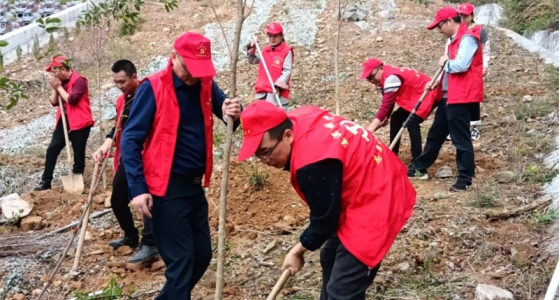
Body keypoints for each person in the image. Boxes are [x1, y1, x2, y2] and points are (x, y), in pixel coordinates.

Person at [237, 101, 417, 299]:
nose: (264, 161)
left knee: (341, 292)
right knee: (329, 256)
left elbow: (324, 221)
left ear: (288, 136)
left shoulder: (312, 163)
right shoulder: (299, 118)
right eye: (257, 155)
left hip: (378, 196)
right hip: (363, 181)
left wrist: (298, 250)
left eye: (265, 152)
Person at [120, 32, 241, 299]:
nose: (193, 76)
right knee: (182, 259)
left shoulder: (205, 83)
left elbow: (225, 110)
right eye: (188, 69)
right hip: (165, 187)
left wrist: (232, 110)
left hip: (195, 186)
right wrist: (138, 188)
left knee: (201, 255)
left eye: (199, 70)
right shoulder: (153, 87)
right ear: (174, 57)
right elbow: (130, 140)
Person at [408, 7, 484, 191]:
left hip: (461, 98)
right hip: (448, 97)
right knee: (435, 135)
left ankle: (464, 179)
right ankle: (418, 168)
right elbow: (450, 72)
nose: (438, 30)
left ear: (450, 21)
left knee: (460, 139)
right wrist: (437, 84)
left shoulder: (467, 39)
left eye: (440, 26)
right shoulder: (452, 42)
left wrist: (445, 63)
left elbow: (461, 66)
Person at [91, 60, 158, 263]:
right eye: (116, 82)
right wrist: (105, 146)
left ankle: (150, 243)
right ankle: (130, 236)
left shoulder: (147, 96)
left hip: (147, 155)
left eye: (123, 81)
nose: (119, 86)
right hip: (127, 157)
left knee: (147, 200)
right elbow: (117, 128)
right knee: (117, 198)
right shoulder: (122, 101)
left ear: (134, 76)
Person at [361, 58, 441, 161]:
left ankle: (417, 163)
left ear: (381, 68)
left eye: (372, 76)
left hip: (429, 93)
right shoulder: (383, 78)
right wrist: (385, 118)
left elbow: (385, 106)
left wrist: (370, 130)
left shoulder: (391, 78)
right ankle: (392, 155)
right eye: (368, 79)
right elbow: (389, 103)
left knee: (412, 122)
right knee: (396, 118)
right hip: (413, 96)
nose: (371, 81)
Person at [34, 56, 94, 191]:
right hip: (64, 122)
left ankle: (77, 181)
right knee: (52, 150)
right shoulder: (60, 83)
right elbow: (54, 102)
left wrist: (59, 88)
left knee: (78, 154)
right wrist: (56, 88)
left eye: (54, 71)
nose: (53, 74)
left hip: (80, 123)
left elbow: (72, 100)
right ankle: (46, 181)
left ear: (62, 69)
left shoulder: (80, 81)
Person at [444, 2, 490, 141]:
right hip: (457, 68)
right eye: (461, 15)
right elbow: (449, 47)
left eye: (466, 15)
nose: (463, 18)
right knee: (458, 98)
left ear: (472, 15)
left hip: (472, 68)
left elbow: (485, 50)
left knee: (473, 97)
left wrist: (485, 66)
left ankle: (474, 127)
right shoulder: (457, 30)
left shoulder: (478, 31)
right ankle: (459, 128)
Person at [246, 22, 293, 112]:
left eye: (275, 36)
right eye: (270, 36)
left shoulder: (286, 51)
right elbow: (252, 60)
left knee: (279, 123)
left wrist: (278, 86)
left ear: (281, 36)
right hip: (262, 94)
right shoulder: (265, 51)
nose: (272, 39)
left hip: (277, 95)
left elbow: (287, 71)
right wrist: (252, 48)